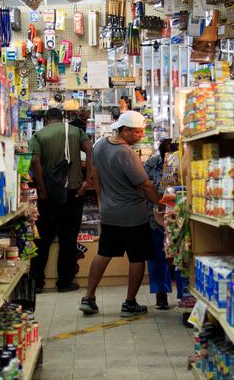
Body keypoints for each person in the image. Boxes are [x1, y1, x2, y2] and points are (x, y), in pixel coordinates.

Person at [79, 111, 160, 318]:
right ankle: (130, 303)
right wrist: (160, 202)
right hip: (133, 214)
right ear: (124, 130)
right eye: (137, 132)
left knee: (104, 252)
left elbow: (95, 174)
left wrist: (101, 200)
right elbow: (144, 184)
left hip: (110, 212)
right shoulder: (127, 153)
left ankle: (88, 298)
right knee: (137, 257)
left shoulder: (100, 145)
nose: (141, 135)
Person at [28, 108, 95, 293]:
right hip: (73, 190)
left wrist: (41, 188)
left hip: (48, 194)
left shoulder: (38, 135)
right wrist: (87, 179)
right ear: (62, 118)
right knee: (68, 239)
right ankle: (65, 282)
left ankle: (37, 283)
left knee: (42, 239)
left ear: (46, 120)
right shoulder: (75, 131)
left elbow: (35, 162)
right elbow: (90, 150)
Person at [144, 139, 176, 309]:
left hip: (178, 216)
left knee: (179, 255)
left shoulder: (180, 163)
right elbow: (143, 186)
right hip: (155, 216)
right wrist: (158, 201)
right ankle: (160, 294)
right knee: (157, 255)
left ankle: (185, 294)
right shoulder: (151, 163)